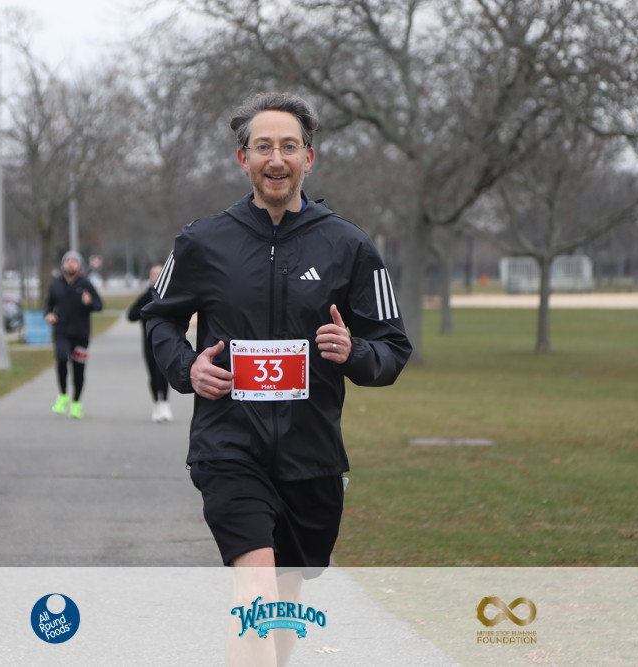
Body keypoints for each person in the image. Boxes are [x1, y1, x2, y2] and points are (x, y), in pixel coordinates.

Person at [142, 91, 411, 664]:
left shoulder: (349, 245)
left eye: (289, 146)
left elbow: (392, 347)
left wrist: (354, 350)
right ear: (243, 159)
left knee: (284, 601)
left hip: (311, 456)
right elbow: (159, 319)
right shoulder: (202, 242)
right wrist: (186, 366)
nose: (276, 158)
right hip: (228, 447)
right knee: (257, 591)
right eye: (263, 146)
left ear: (308, 158)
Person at [45, 250, 103, 419]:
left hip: (81, 334)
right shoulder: (56, 284)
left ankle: (76, 403)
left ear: (79, 265)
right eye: (68, 261)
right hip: (61, 331)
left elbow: (99, 305)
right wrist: (48, 314)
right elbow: (48, 304)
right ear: (63, 265)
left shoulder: (86, 284)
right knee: (62, 359)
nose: (71, 264)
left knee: (79, 370)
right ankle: (63, 395)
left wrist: (89, 302)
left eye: (74, 261)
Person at [127, 264, 173, 423]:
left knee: (163, 372)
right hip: (148, 341)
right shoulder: (146, 296)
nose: (157, 276)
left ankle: (165, 404)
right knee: (153, 374)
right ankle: (156, 404)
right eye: (154, 274)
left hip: (166, 341)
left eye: (160, 273)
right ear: (150, 277)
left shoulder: (170, 295)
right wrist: (146, 312)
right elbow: (131, 315)